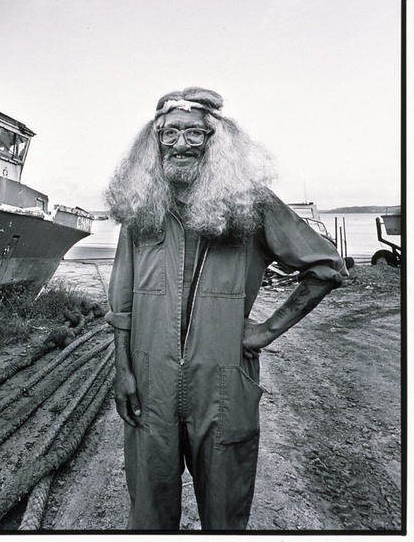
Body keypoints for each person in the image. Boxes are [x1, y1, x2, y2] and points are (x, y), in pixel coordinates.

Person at [104, 87, 347, 531]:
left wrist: (266, 330)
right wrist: (122, 370)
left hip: (223, 387)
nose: (180, 144)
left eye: (194, 135)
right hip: (150, 381)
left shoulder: (250, 205)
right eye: (169, 133)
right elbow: (121, 302)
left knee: (225, 515)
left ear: (215, 140)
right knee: (149, 518)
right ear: (153, 141)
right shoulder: (140, 207)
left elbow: (326, 267)